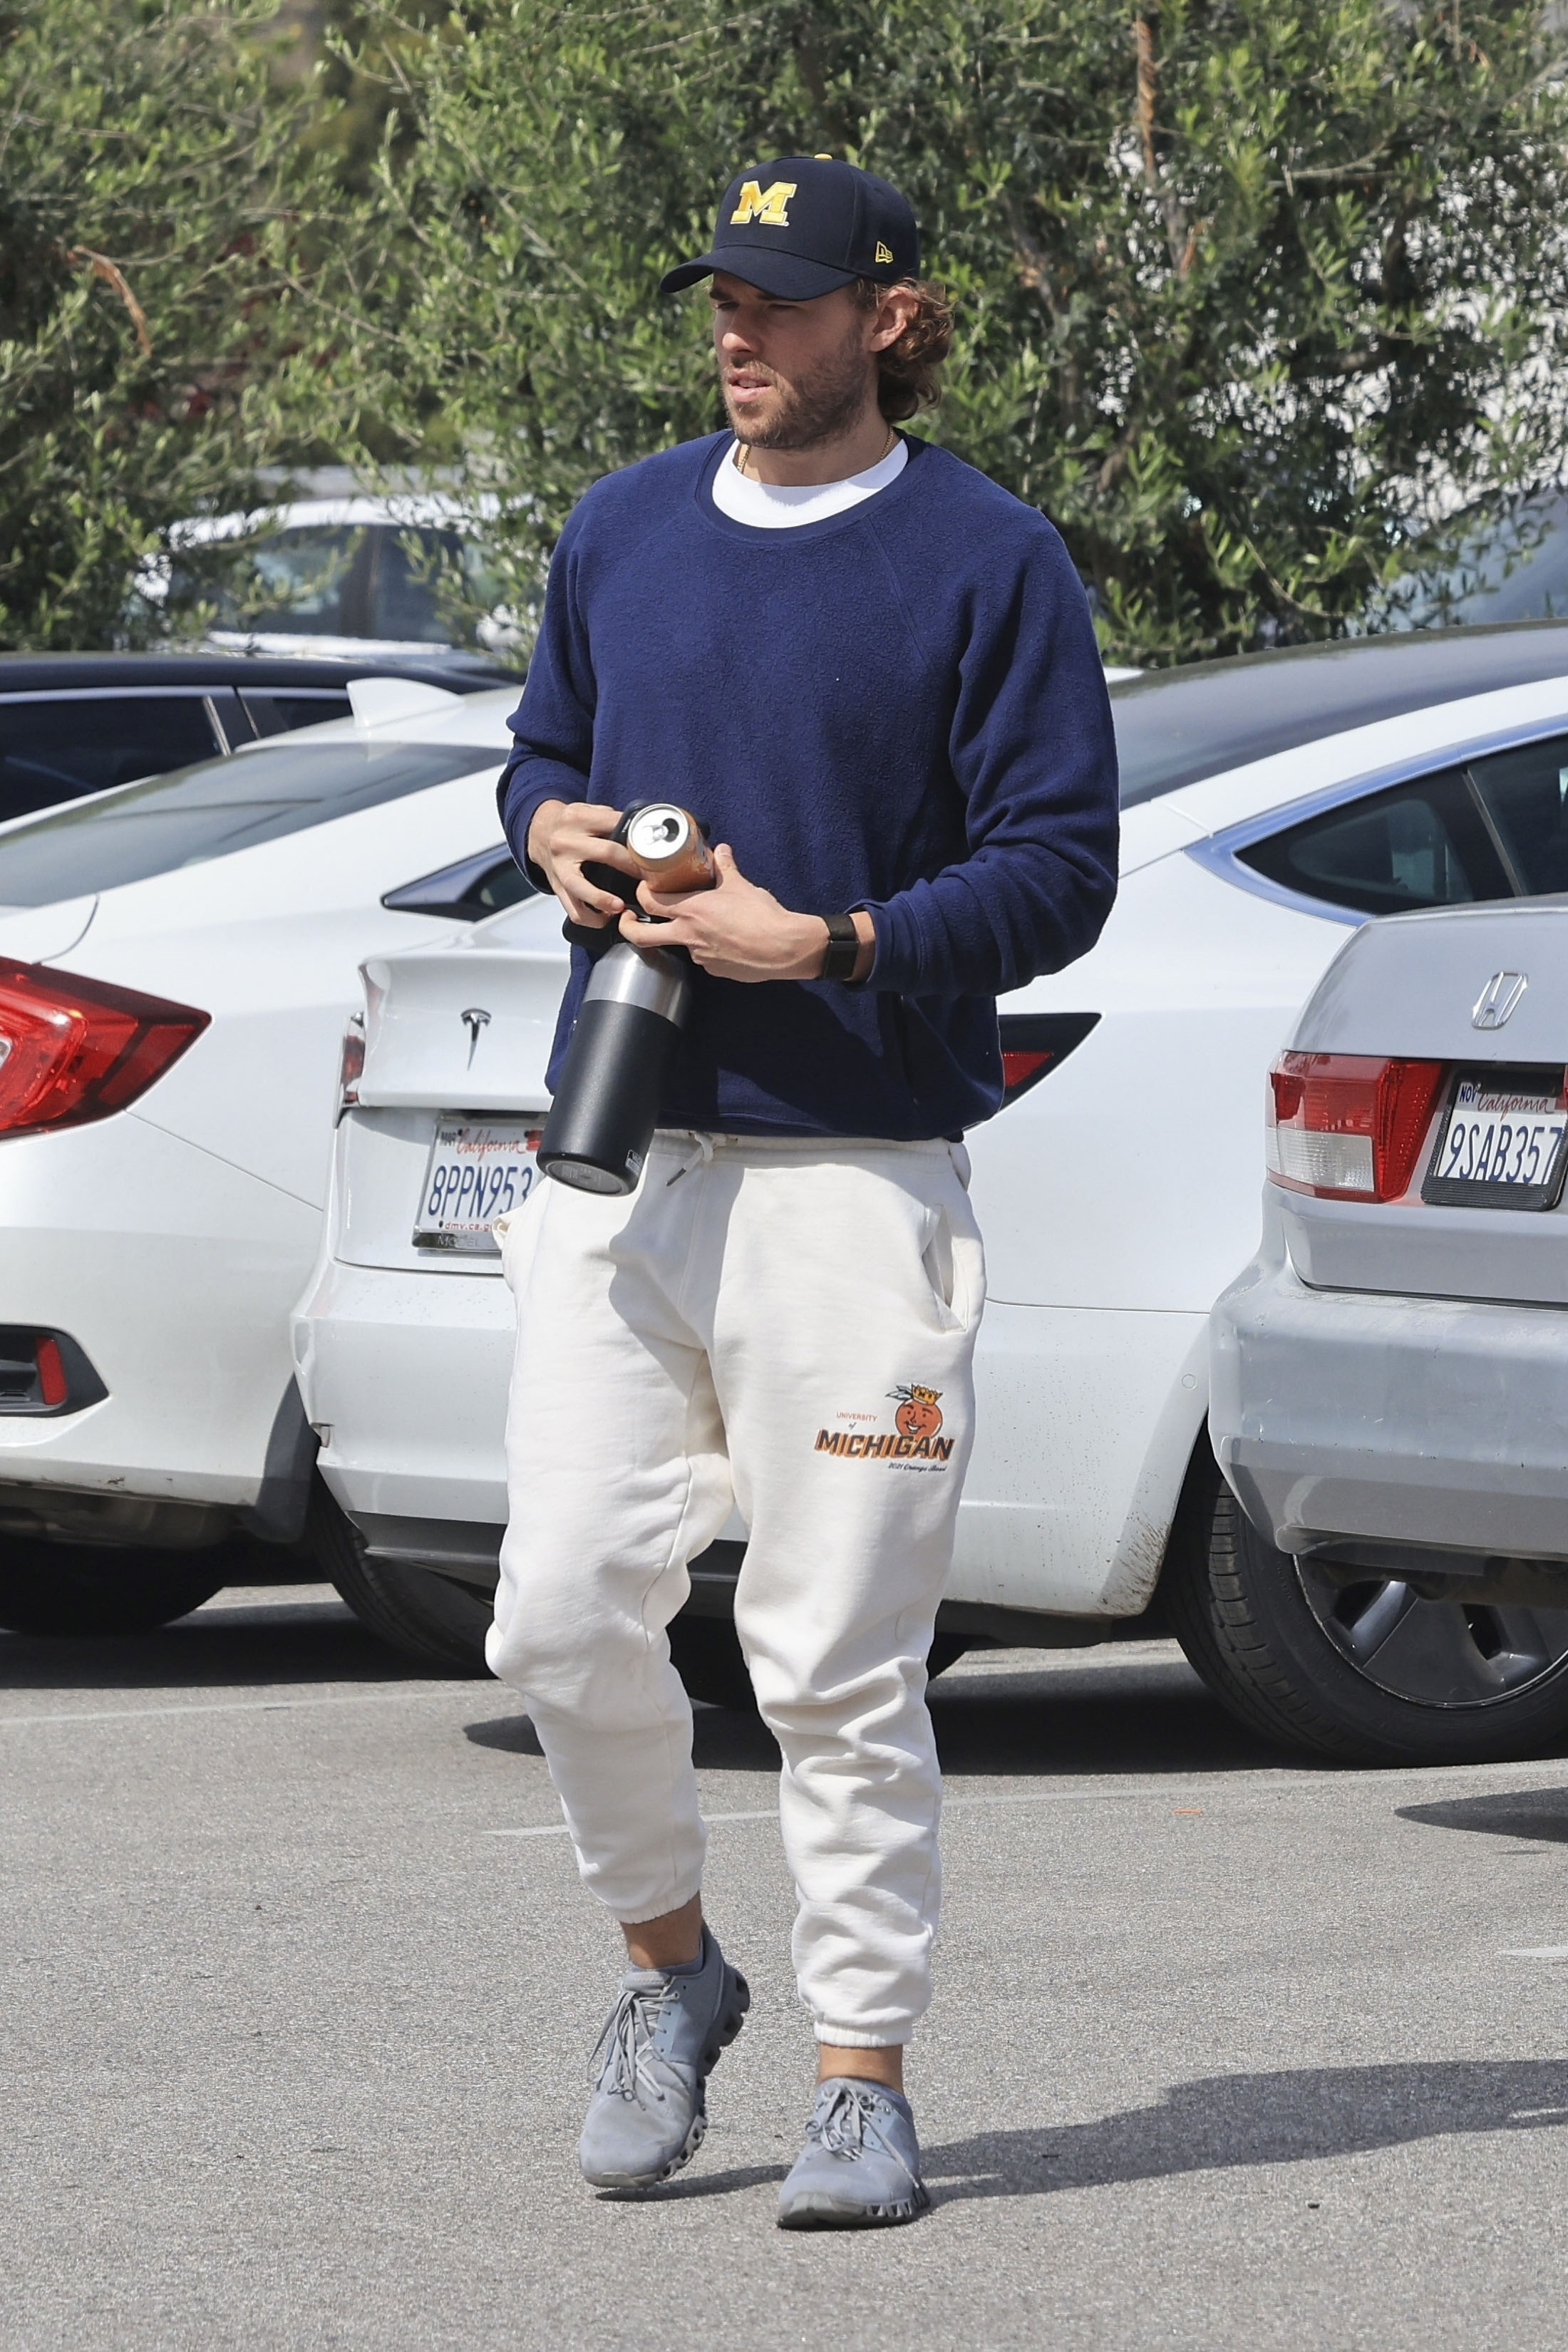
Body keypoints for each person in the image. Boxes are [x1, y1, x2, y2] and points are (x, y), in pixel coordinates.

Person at [489, 153, 1118, 2229]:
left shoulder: (989, 560)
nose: (738, 331)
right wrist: (554, 837)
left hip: (857, 1173)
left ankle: (864, 2080)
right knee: (556, 1614)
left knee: (834, 1653)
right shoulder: (621, 529)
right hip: (619, 1150)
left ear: (890, 319)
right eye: (721, 300)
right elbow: (536, 757)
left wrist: (829, 943)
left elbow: (1057, 869)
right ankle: (676, 1977)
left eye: (778, 299)